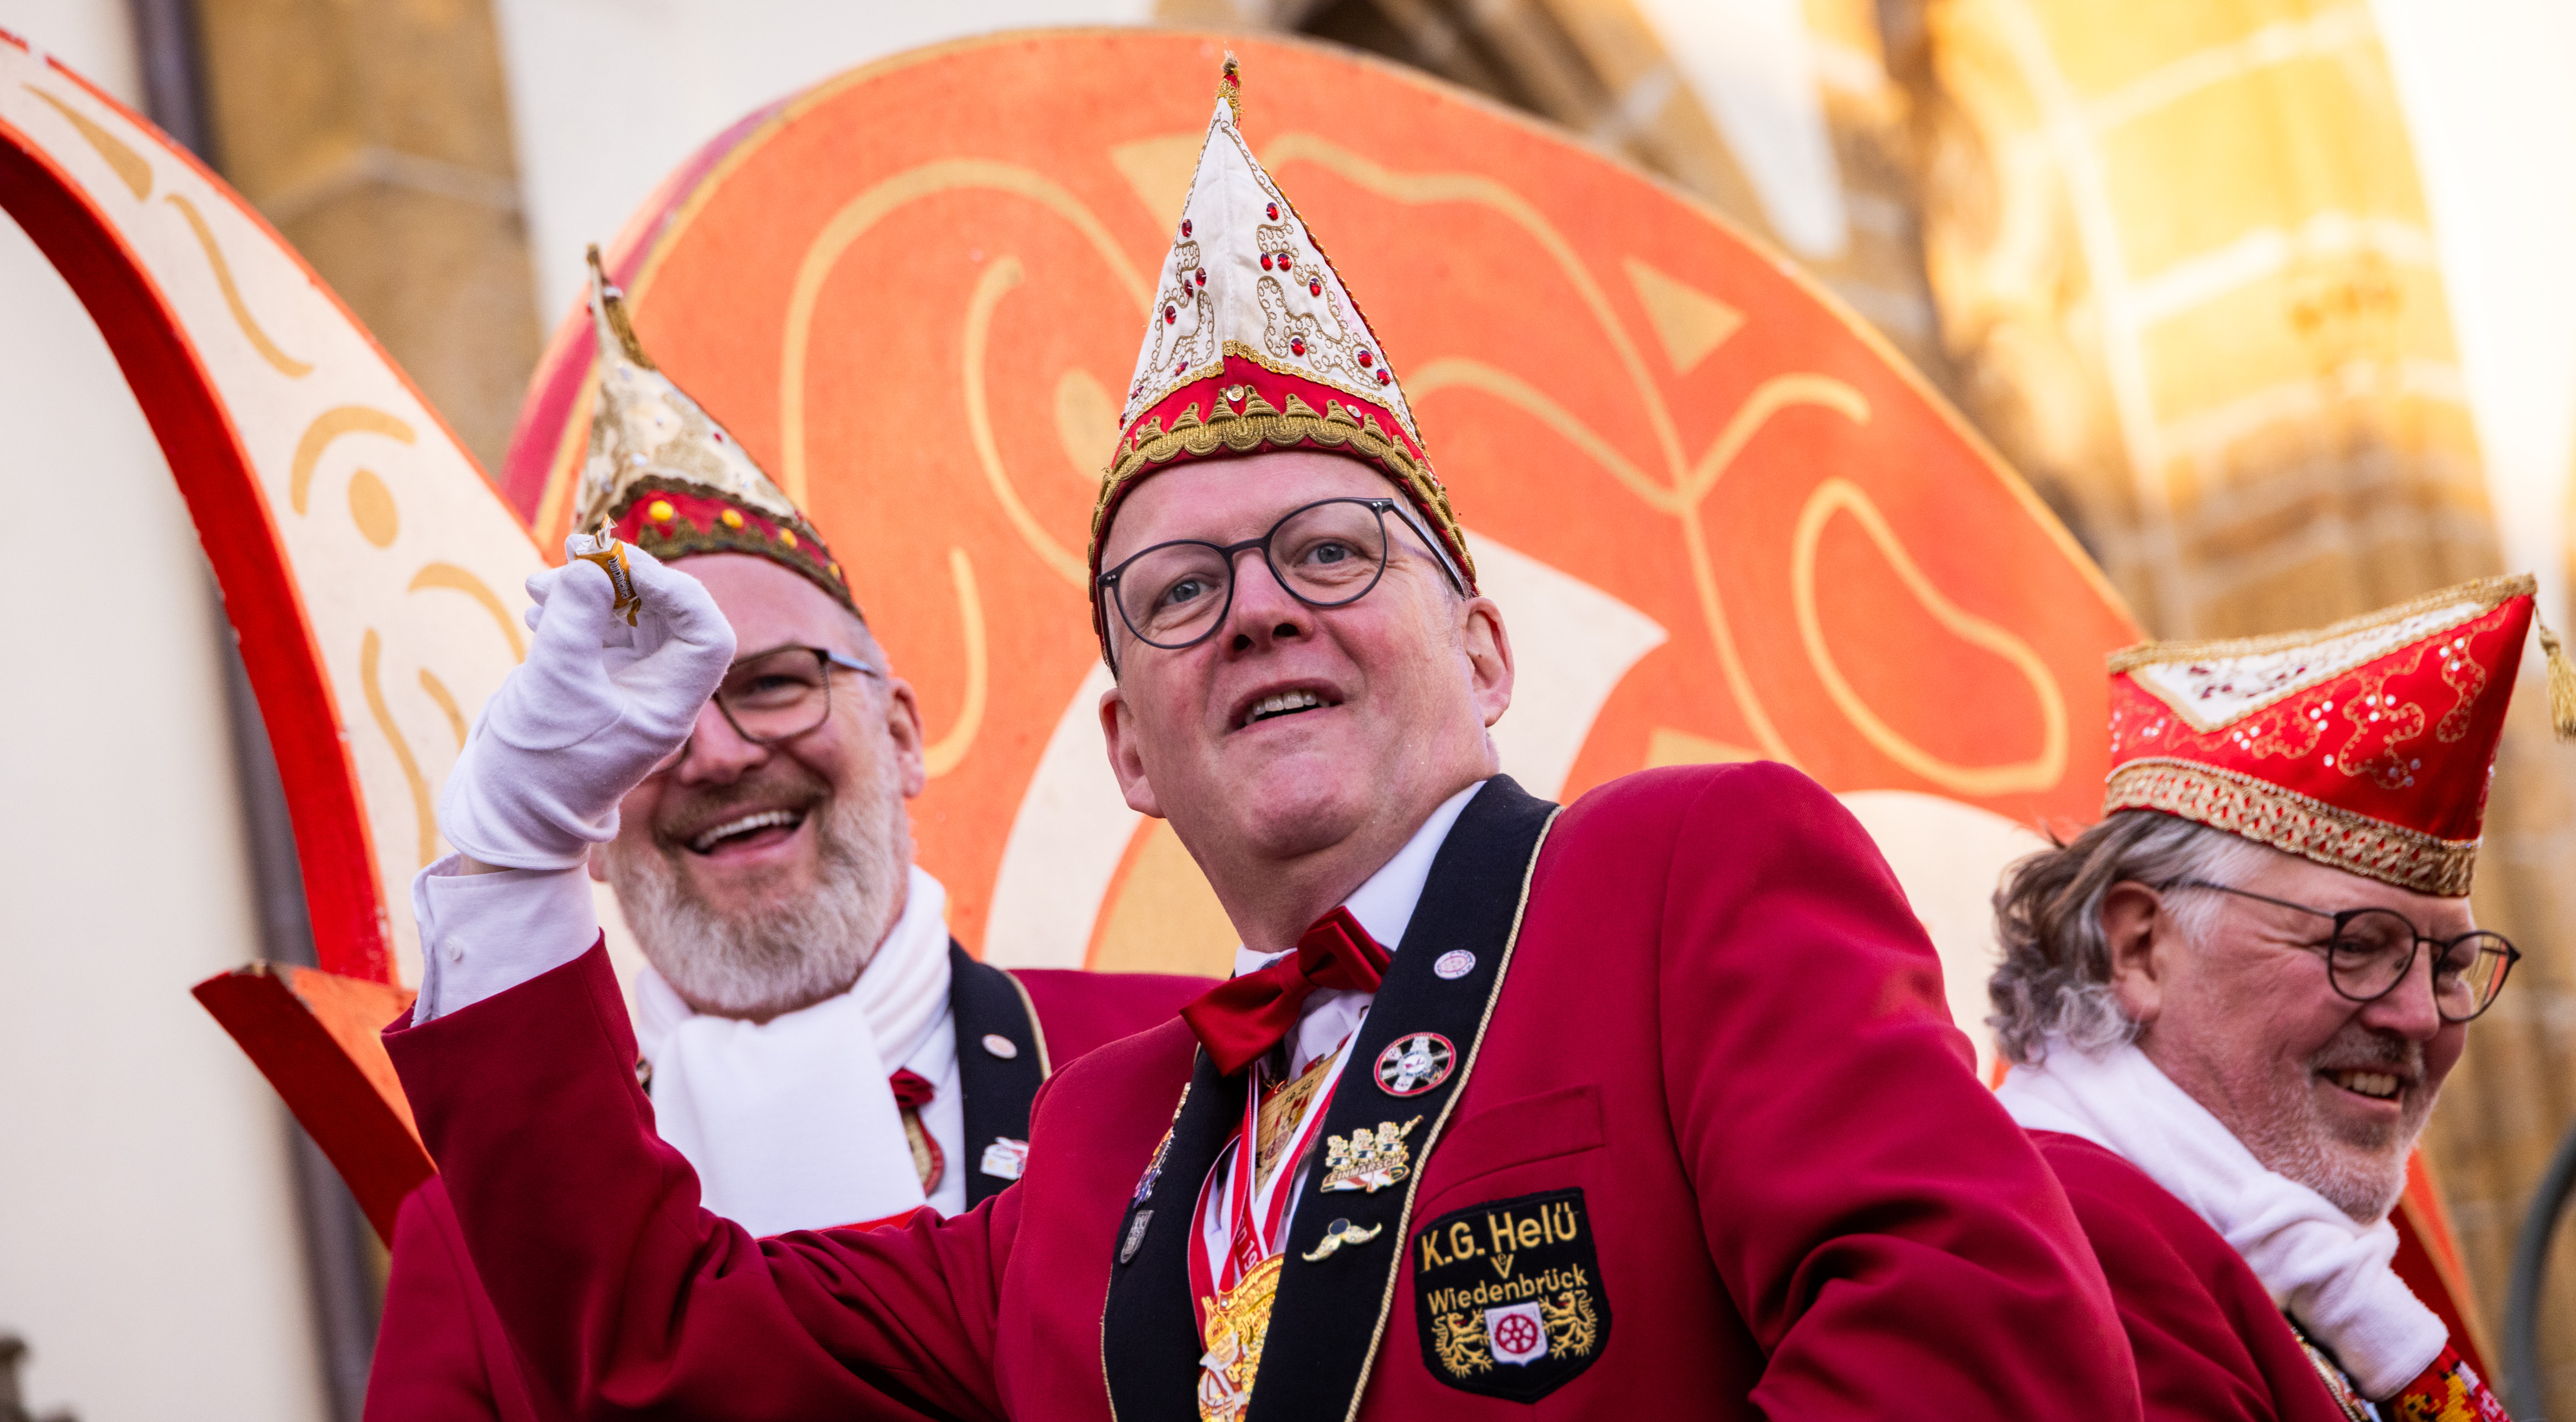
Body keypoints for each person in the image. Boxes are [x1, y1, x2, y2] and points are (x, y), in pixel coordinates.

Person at [381, 59, 2138, 1419]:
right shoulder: (1097, 1134)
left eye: (1330, 550)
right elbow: (662, 1344)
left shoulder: (1683, 872)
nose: (1258, 609)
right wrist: (514, 856)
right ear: (1128, 756)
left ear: (1483, 648)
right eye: (1177, 591)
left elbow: (1981, 1346)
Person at [361, 252, 1208, 1421]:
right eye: (647, 724)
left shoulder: (1187, 1063)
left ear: (900, 735)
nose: (714, 755)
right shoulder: (470, 1239)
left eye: (774, 683)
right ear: (588, 820)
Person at [1988, 577, 2557, 1421]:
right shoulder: (2059, 1261)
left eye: (2449, 965)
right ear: (2137, 949)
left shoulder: (2293, 1262)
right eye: (2354, 945)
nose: (2419, 1016)